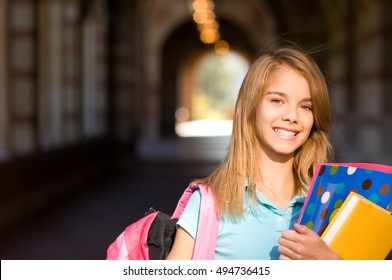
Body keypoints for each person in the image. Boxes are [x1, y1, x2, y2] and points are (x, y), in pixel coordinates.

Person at [166, 44, 341, 260]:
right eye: (277, 100)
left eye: (306, 106)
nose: (292, 116)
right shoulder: (209, 203)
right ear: (252, 107)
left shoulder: (331, 204)